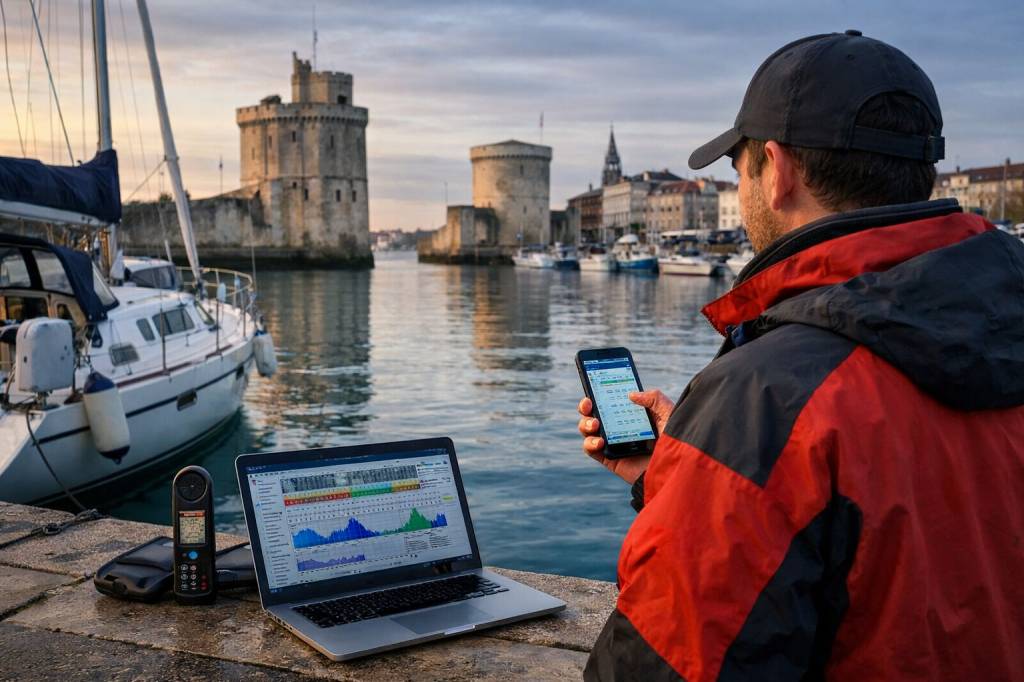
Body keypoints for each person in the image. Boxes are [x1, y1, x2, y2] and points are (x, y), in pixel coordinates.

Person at [579, 31, 1024, 681]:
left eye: (739, 167)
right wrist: (679, 474)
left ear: (776, 169)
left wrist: (726, 461)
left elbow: (668, 663)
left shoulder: (767, 403)